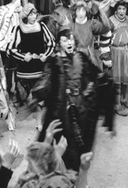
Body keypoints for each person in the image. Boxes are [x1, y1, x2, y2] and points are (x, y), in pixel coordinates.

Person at [33, 28, 114, 171]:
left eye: (71, 39)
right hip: (62, 111)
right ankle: (67, 176)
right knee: (66, 146)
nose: (69, 42)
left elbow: (96, 74)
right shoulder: (54, 61)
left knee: (82, 144)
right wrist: (39, 91)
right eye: (65, 40)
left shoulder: (81, 57)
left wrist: (102, 81)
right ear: (59, 43)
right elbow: (45, 81)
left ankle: (78, 177)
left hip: (82, 109)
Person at [8, 2, 56, 105]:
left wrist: (46, 55)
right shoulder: (18, 29)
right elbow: (11, 49)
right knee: (26, 102)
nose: (34, 16)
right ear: (26, 16)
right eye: (31, 14)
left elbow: (51, 42)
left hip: (40, 70)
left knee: (41, 101)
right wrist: (23, 57)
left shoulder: (41, 26)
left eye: (35, 14)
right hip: (24, 73)